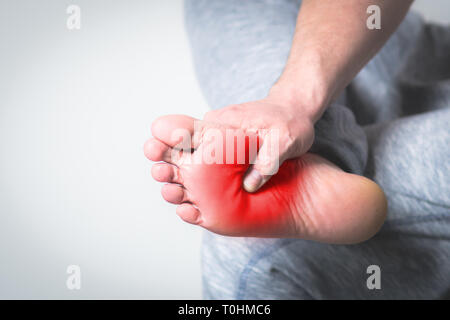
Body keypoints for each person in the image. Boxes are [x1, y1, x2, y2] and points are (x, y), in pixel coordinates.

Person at [144, 0, 450, 298]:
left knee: (241, 259)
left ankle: (295, 156)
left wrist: (293, 100)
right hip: (370, 43)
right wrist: (293, 101)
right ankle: (291, 147)